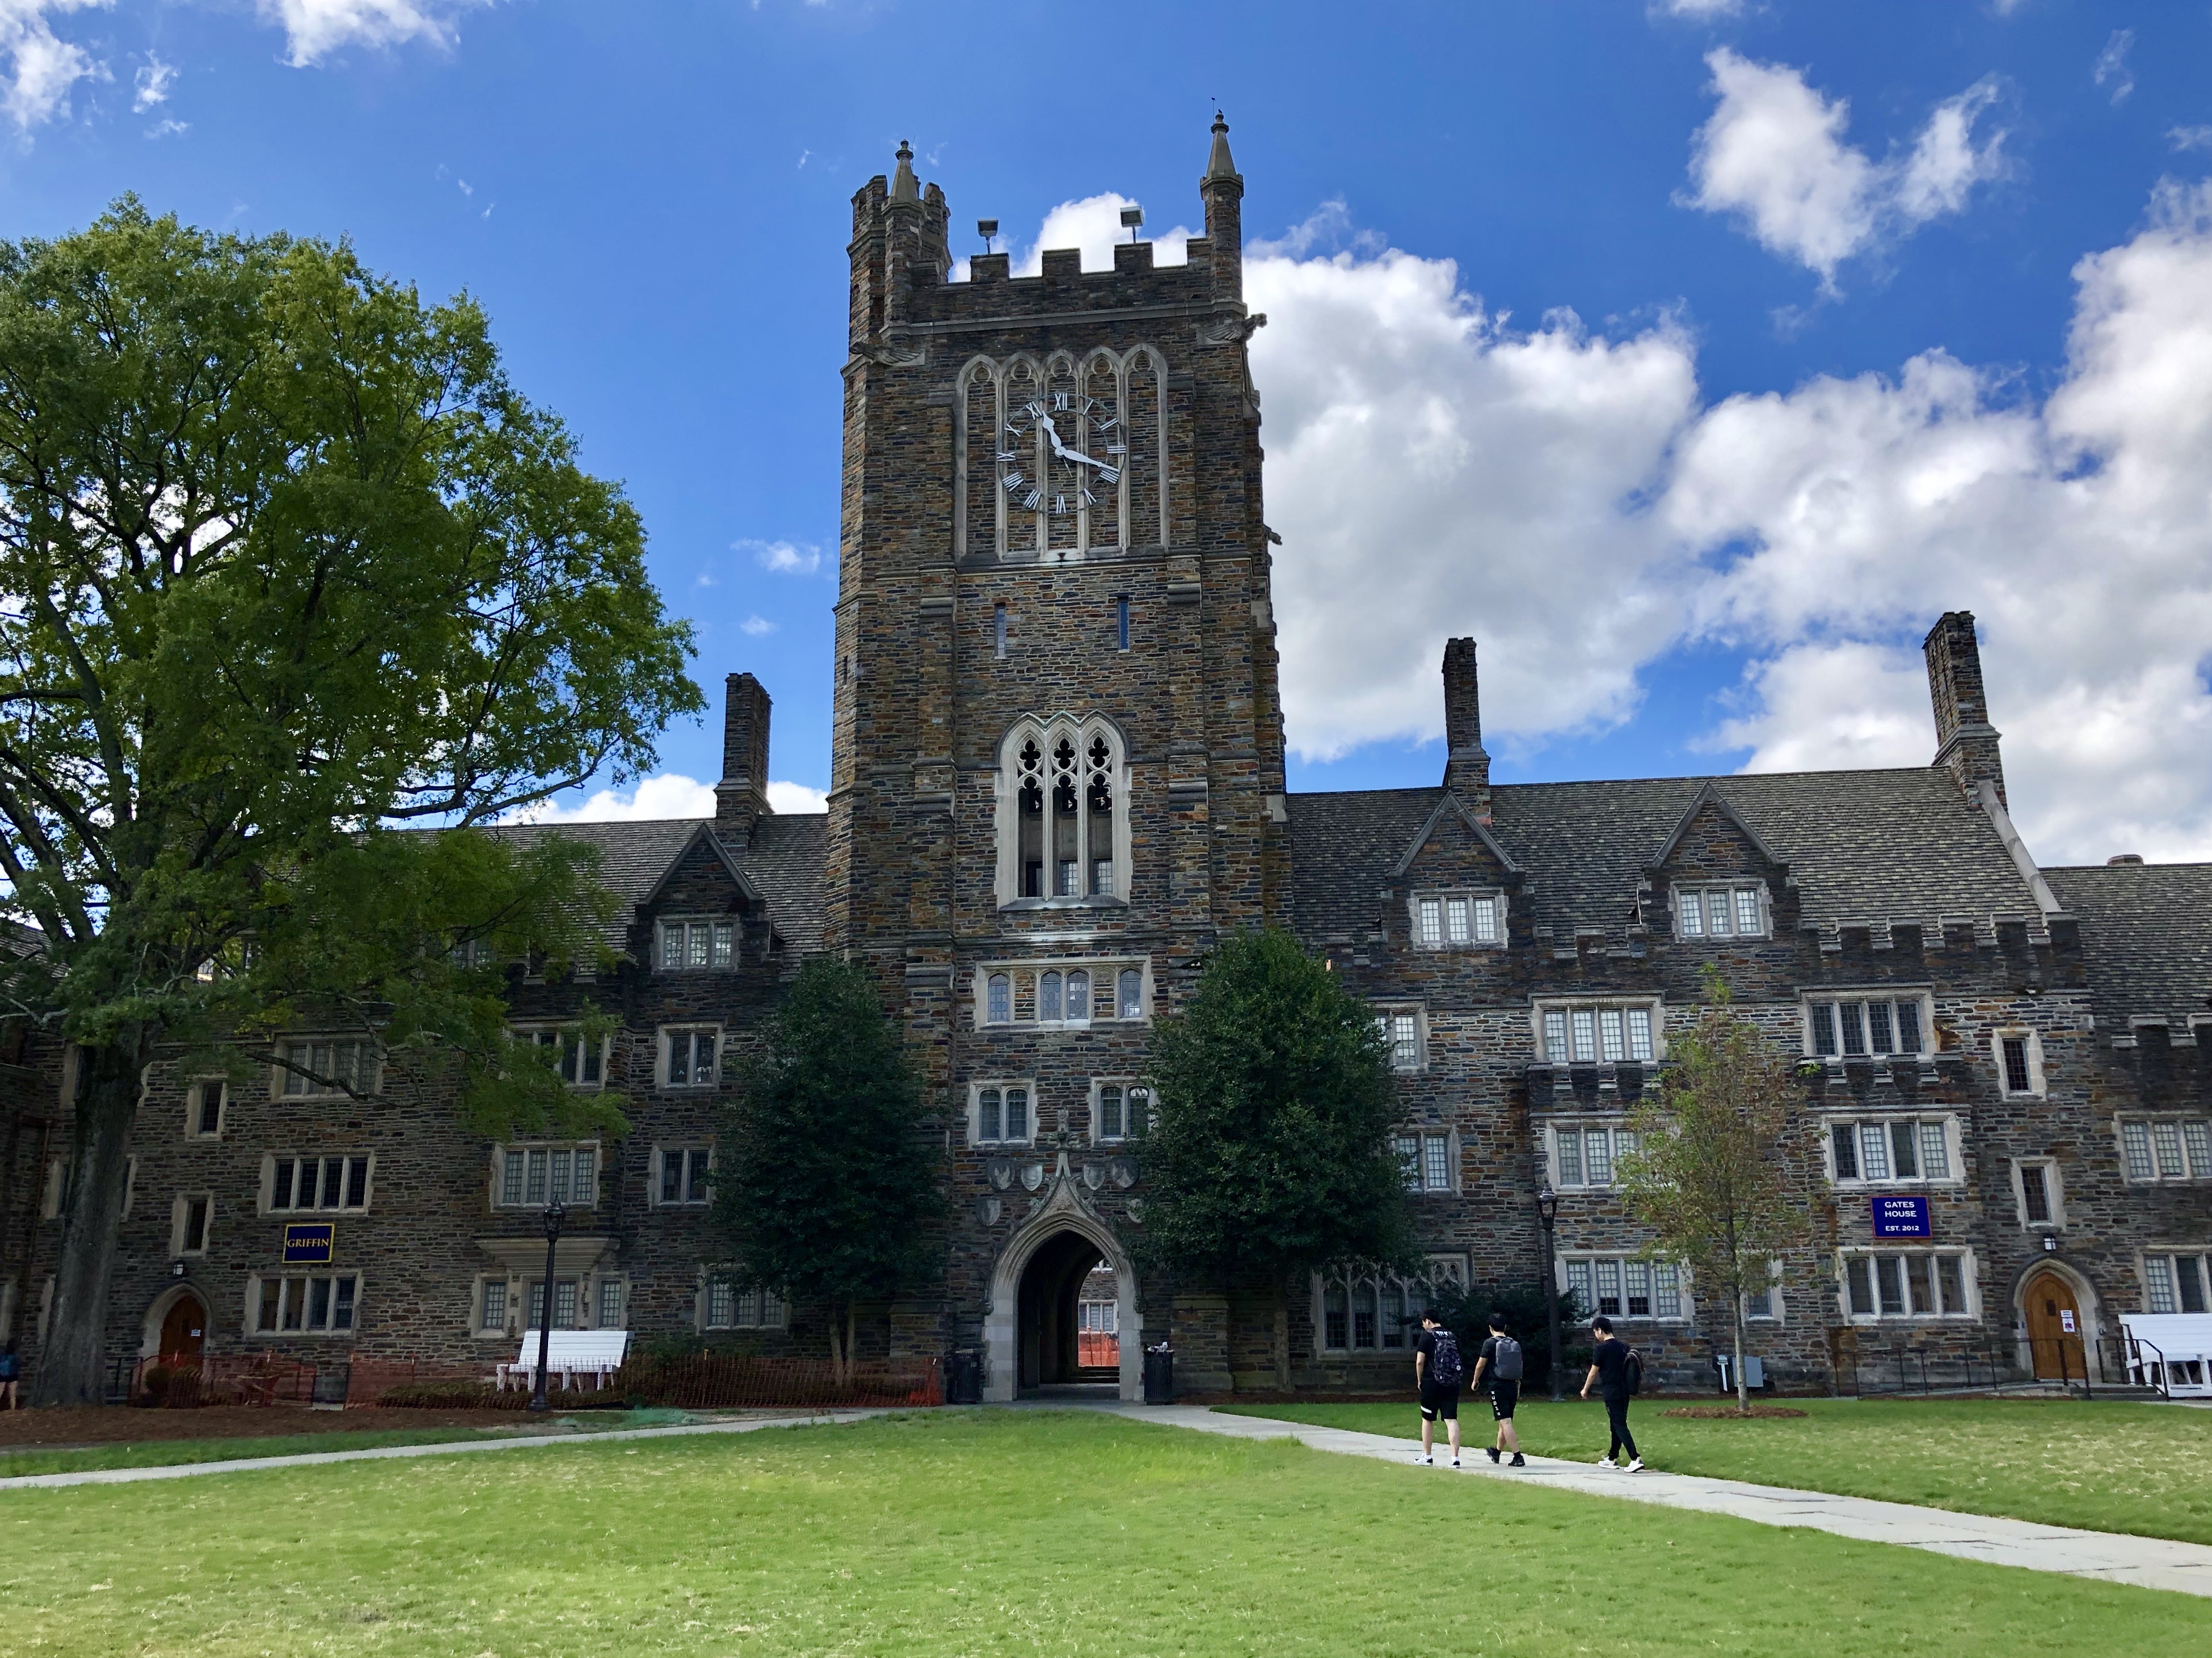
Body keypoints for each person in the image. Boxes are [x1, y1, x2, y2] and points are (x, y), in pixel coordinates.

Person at [1580, 1315, 1644, 1471]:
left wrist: (1585, 1389)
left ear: (1600, 1331)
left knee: (1619, 1424)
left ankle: (1635, 1458)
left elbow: (1594, 1372)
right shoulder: (1624, 1347)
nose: (1596, 1335)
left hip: (1611, 1391)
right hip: (1625, 1390)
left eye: (1595, 1331)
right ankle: (1612, 1457)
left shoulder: (1601, 1349)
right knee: (1615, 1424)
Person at [1471, 1311, 1526, 1466]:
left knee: (1505, 1422)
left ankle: (1518, 1456)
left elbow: (1481, 1364)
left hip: (1498, 1385)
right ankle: (1497, 1452)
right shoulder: (1513, 1343)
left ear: (1490, 1328)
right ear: (1505, 1327)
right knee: (1505, 1420)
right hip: (1513, 1385)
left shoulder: (1490, 1343)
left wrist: (1475, 1380)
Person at [1411, 1309, 1465, 1467]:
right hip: (1452, 1382)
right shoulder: (1452, 1336)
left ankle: (1427, 1456)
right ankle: (1455, 1459)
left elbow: (1420, 1361)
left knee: (1428, 1419)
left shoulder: (1427, 1336)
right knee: (1451, 1419)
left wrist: (1420, 1380)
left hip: (1432, 1381)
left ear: (1427, 1321)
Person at [0, 1338, 19, 1411]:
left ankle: (12, 1409)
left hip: (3, 1375)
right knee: (12, 1395)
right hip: (13, 1375)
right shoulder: (15, 1356)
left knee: (0, 1392)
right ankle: (12, 1409)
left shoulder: (3, 1355)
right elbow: (19, 1364)